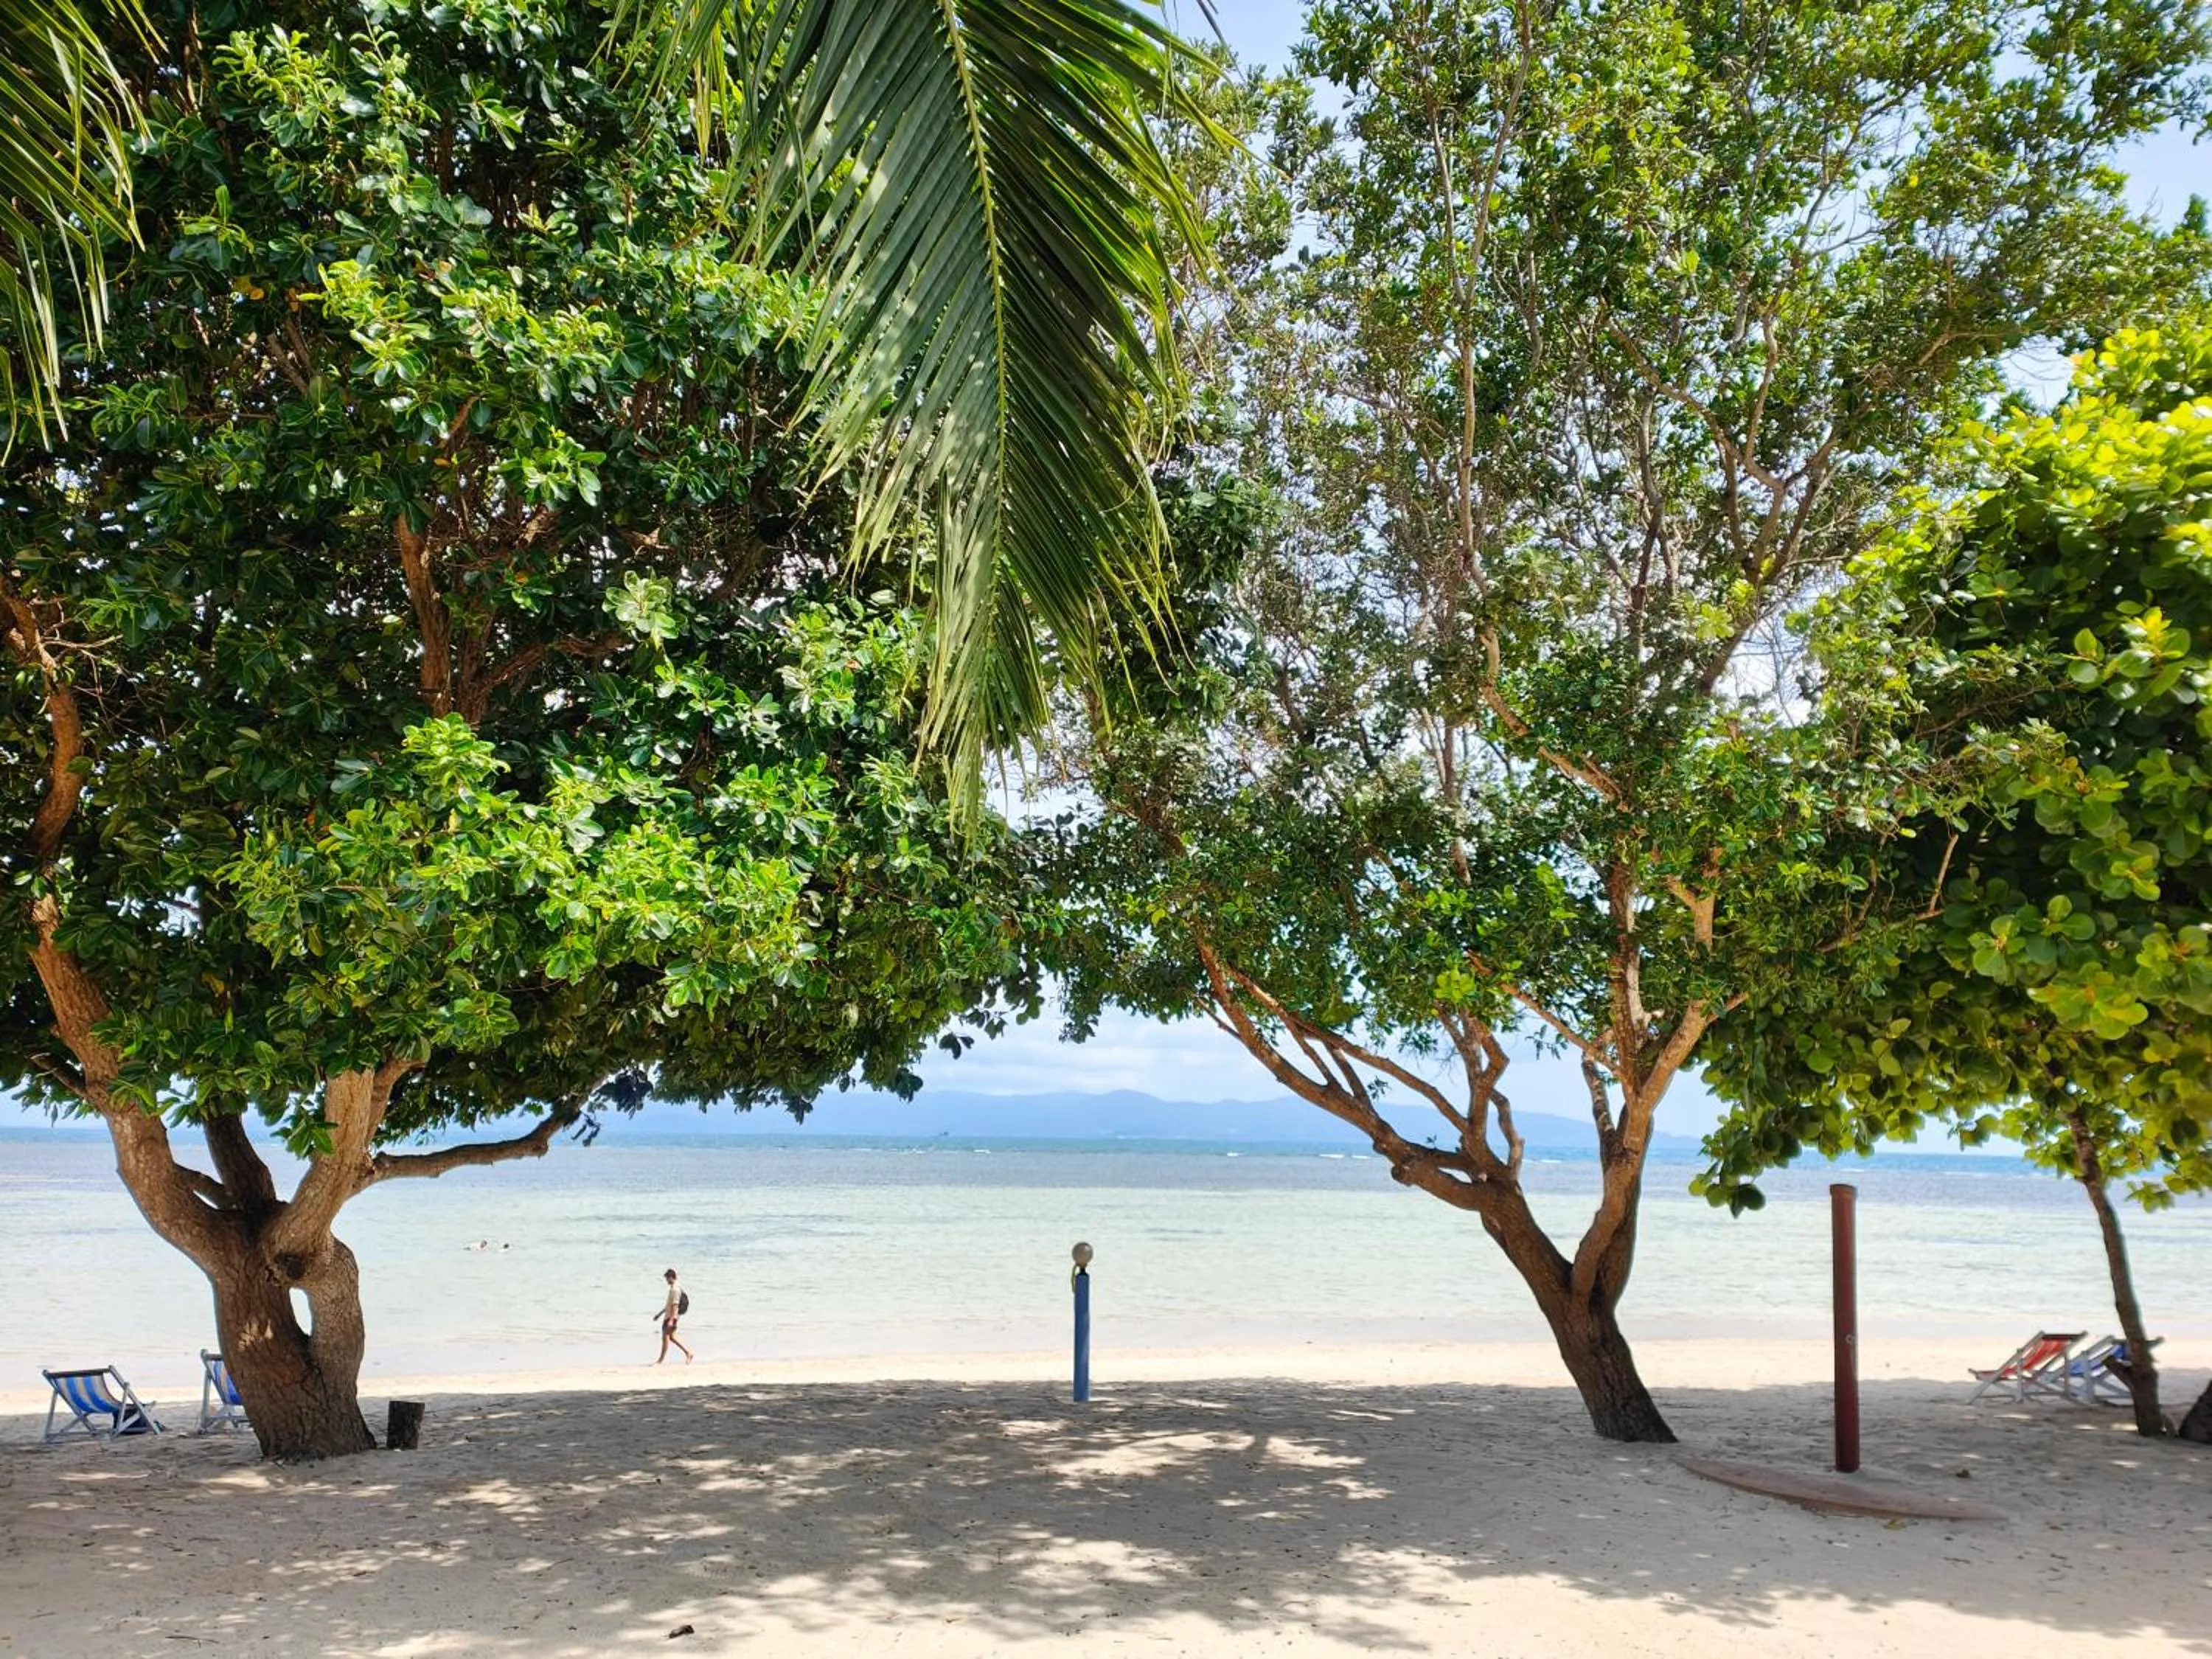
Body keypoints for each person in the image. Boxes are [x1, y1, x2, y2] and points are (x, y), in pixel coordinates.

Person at [653, 1267, 692, 1365]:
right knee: (671, 1338)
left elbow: (675, 1305)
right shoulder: (676, 1288)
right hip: (670, 1316)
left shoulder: (675, 1290)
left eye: (667, 1279)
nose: (666, 1281)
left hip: (671, 1317)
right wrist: (659, 1314)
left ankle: (660, 1361)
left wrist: (671, 1320)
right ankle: (688, 1353)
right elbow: (669, 1305)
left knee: (665, 1338)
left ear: (671, 1277)